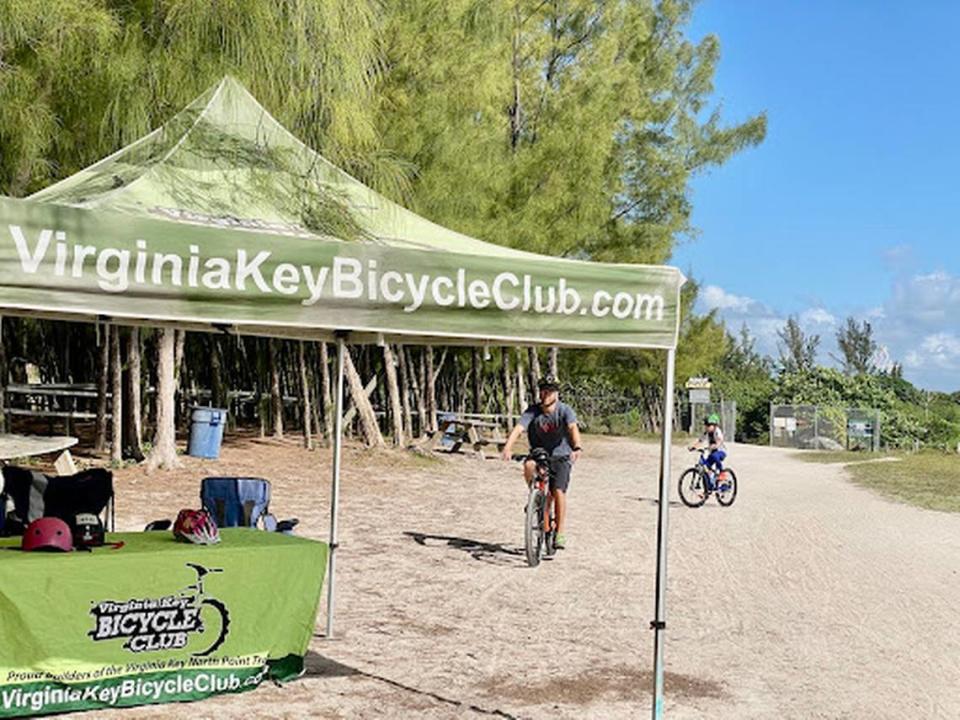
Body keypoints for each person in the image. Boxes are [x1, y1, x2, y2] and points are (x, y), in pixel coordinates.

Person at [500, 374, 582, 550]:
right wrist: (508, 446)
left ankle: (560, 532)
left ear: (556, 394)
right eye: (542, 391)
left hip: (561, 457)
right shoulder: (533, 411)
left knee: (558, 491)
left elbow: (573, 428)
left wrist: (577, 447)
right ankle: (535, 496)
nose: (545, 395)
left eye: (549, 391)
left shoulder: (565, 410)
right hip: (540, 454)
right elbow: (519, 428)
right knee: (529, 465)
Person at [690, 413, 728, 487]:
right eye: (706, 425)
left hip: (721, 451)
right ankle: (707, 489)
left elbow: (719, 441)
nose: (707, 427)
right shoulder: (706, 433)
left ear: (714, 426)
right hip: (712, 452)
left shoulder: (717, 431)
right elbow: (700, 441)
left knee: (714, 456)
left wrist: (713, 446)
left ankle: (722, 473)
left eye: (709, 425)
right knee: (705, 468)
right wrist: (694, 447)